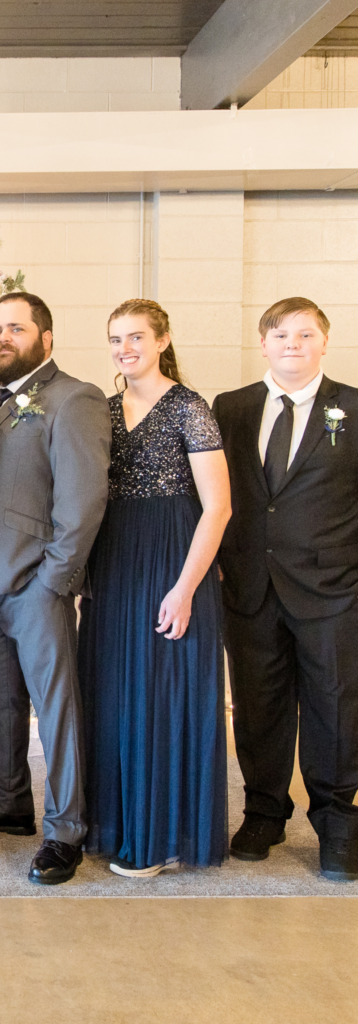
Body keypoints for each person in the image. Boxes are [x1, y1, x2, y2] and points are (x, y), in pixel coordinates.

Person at [0, 291, 110, 885]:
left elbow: (85, 498)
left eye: (16, 328)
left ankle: (66, 829)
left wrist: (55, 580)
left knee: (55, 708)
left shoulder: (76, 399)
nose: (2, 338)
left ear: (47, 337)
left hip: (36, 584)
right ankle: (9, 800)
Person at [79, 300, 231, 878]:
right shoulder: (104, 409)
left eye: (137, 337)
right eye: (116, 339)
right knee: (114, 696)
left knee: (163, 697)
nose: (125, 348)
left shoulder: (191, 409)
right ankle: (118, 825)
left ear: (162, 340)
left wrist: (186, 587)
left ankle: (164, 837)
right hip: (114, 562)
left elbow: (218, 508)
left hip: (173, 559)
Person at [213, 297, 358, 881]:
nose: (292, 343)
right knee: (258, 706)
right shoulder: (232, 407)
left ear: (324, 341)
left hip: (333, 589)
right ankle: (265, 811)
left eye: (304, 334)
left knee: (335, 705)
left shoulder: (351, 407)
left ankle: (337, 820)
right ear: (263, 342)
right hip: (248, 584)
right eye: (280, 334)